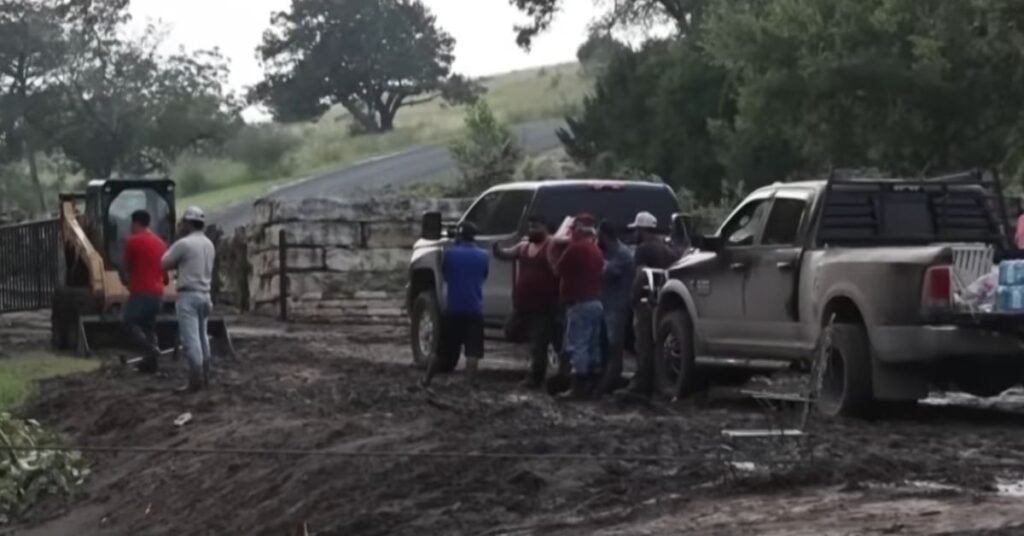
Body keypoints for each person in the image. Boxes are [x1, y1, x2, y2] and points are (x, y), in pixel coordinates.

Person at [493, 217, 561, 389]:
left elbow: (558, 268)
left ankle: (536, 376)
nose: (532, 230)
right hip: (523, 302)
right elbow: (505, 254)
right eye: (530, 227)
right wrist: (496, 248)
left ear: (545, 228)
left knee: (539, 341)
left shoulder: (551, 245)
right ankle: (539, 368)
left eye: (536, 227)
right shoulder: (524, 246)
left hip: (544, 303)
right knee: (511, 330)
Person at [424, 222, 489, 387]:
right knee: (473, 350)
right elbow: (483, 276)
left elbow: (445, 275)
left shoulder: (451, 254)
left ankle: (427, 379)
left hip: (453, 308)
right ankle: (469, 384)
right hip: (474, 309)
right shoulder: (483, 255)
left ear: (459, 236)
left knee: (440, 348)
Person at [626, 211, 682, 398]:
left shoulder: (643, 249)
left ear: (642, 230)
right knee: (657, 343)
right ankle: (658, 382)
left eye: (636, 230)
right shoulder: (669, 249)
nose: (634, 234)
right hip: (663, 302)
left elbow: (641, 274)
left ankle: (642, 382)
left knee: (642, 343)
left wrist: (632, 297)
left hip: (645, 300)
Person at [161, 206, 216, 393]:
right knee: (203, 337)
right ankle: (206, 375)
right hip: (206, 295)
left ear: (187, 223)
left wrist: (176, 238)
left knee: (191, 339)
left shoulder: (184, 244)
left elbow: (164, 262)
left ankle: (195, 380)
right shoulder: (209, 244)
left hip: (189, 295)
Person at [550, 213, 605, 399]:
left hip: (580, 303)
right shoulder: (595, 250)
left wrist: (552, 251)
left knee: (578, 345)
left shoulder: (576, 249)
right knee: (592, 345)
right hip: (595, 303)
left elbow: (558, 269)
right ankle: (593, 385)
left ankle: (577, 388)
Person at [121, 210, 167, 374]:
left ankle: (151, 349)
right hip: (158, 293)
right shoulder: (160, 243)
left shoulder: (132, 241)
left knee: (128, 323)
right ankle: (151, 365)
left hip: (141, 291)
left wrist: (126, 280)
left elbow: (126, 267)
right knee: (149, 327)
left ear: (135, 223)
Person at [594, 221, 636, 396]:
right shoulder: (609, 252)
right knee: (603, 345)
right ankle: (605, 379)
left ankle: (610, 382)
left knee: (614, 347)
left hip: (617, 307)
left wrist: (593, 256)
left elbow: (605, 271)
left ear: (604, 235)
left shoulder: (622, 254)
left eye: (598, 235)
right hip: (606, 304)